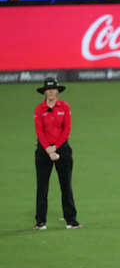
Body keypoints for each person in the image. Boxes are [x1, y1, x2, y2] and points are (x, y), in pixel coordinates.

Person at [33, 77, 81, 230]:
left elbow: (67, 129)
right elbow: (39, 131)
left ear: (57, 91)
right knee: (42, 187)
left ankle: (71, 220)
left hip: (62, 148)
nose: (51, 91)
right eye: (48, 89)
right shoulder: (39, 109)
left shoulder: (65, 107)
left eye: (53, 89)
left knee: (66, 185)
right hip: (44, 150)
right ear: (45, 92)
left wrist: (56, 147)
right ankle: (40, 221)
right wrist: (48, 149)